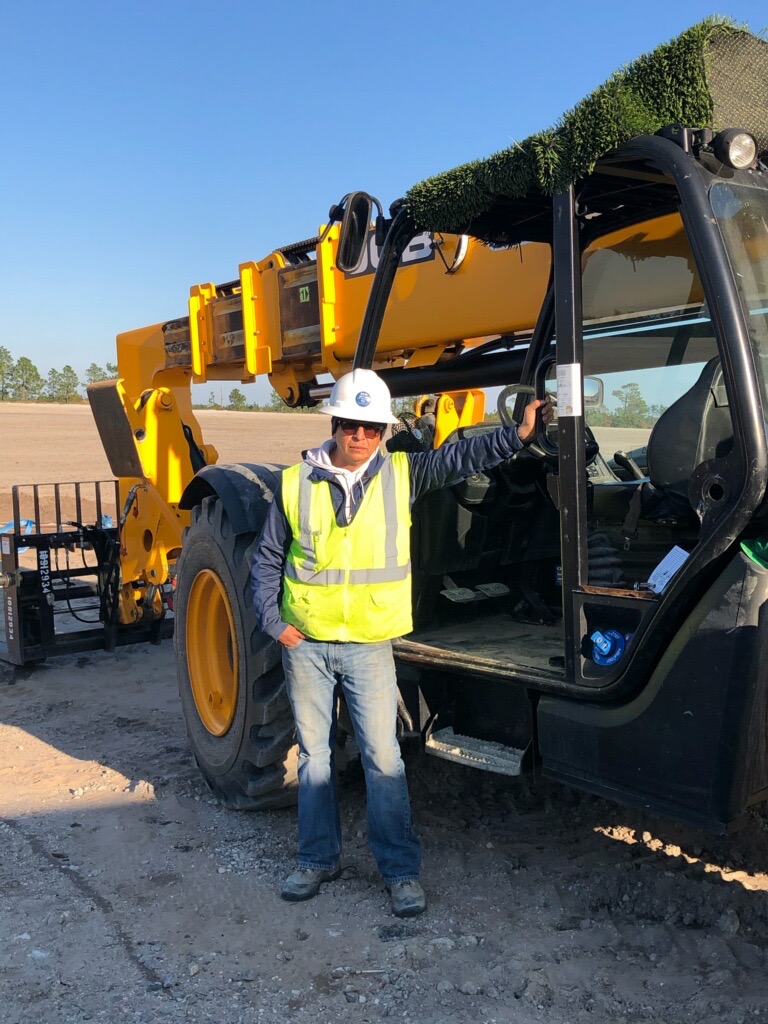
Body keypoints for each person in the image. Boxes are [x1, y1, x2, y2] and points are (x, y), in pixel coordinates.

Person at [251, 368, 552, 917]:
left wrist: (519, 435)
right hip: (308, 645)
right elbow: (269, 557)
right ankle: (318, 859)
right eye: (351, 425)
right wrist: (274, 623)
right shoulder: (295, 483)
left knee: (383, 757)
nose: (360, 436)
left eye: (371, 427)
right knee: (315, 759)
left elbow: (461, 459)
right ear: (335, 425)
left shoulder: (401, 474)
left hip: (368, 646)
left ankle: (399, 872)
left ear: (383, 431)